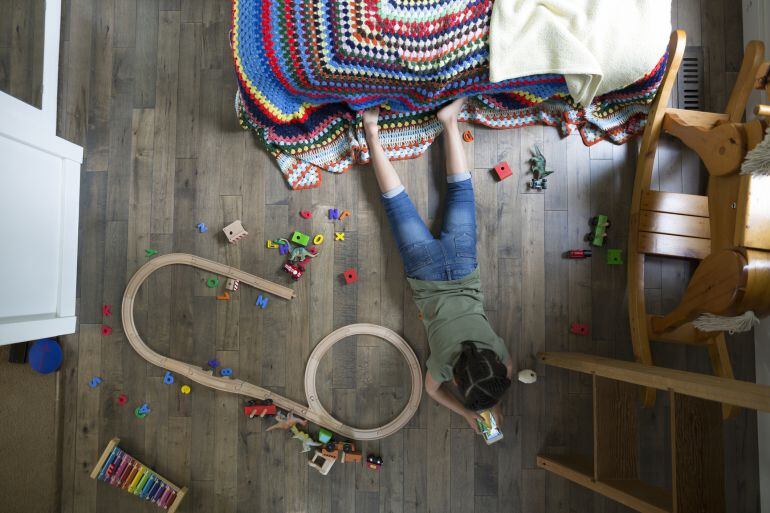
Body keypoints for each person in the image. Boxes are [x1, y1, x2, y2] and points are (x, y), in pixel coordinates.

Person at [362, 98, 513, 433]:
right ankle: (372, 132)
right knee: (395, 204)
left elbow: (508, 368)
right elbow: (432, 391)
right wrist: (466, 412)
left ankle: (449, 122)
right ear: (458, 378)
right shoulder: (443, 368)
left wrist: (493, 399)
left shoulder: (498, 350)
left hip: (462, 266)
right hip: (425, 273)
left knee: (461, 192)